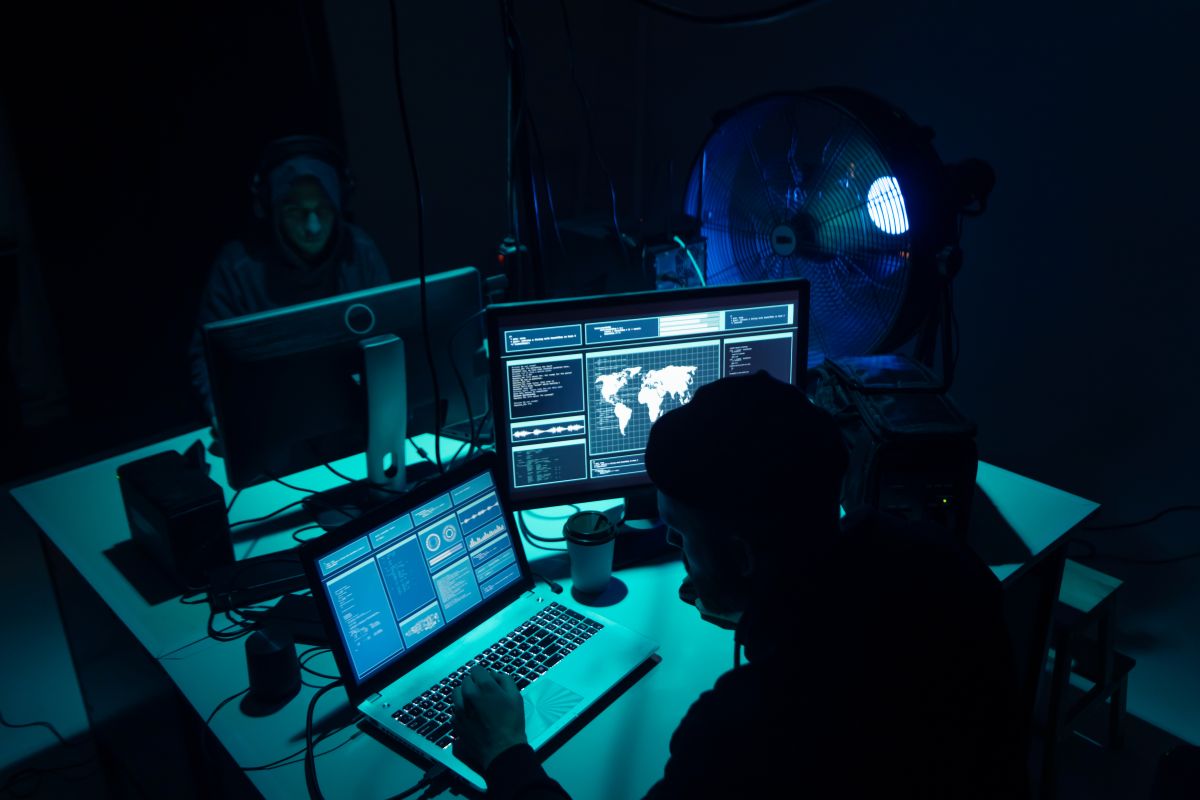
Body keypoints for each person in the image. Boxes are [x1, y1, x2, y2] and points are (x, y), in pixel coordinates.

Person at [451, 370, 1029, 798]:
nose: (676, 553)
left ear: (743, 556)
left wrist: (505, 752)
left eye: (680, 536)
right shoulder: (947, 567)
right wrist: (757, 604)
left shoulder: (741, 732)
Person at [188, 136, 390, 424]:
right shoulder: (236, 268)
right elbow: (207, 359)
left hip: (355, 417)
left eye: (323, 209)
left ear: (339, 204)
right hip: (270, 421)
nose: (313, 227)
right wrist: (222, 415)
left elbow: (390, 337)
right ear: (270, 209)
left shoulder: (361, 252)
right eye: (296, 212)